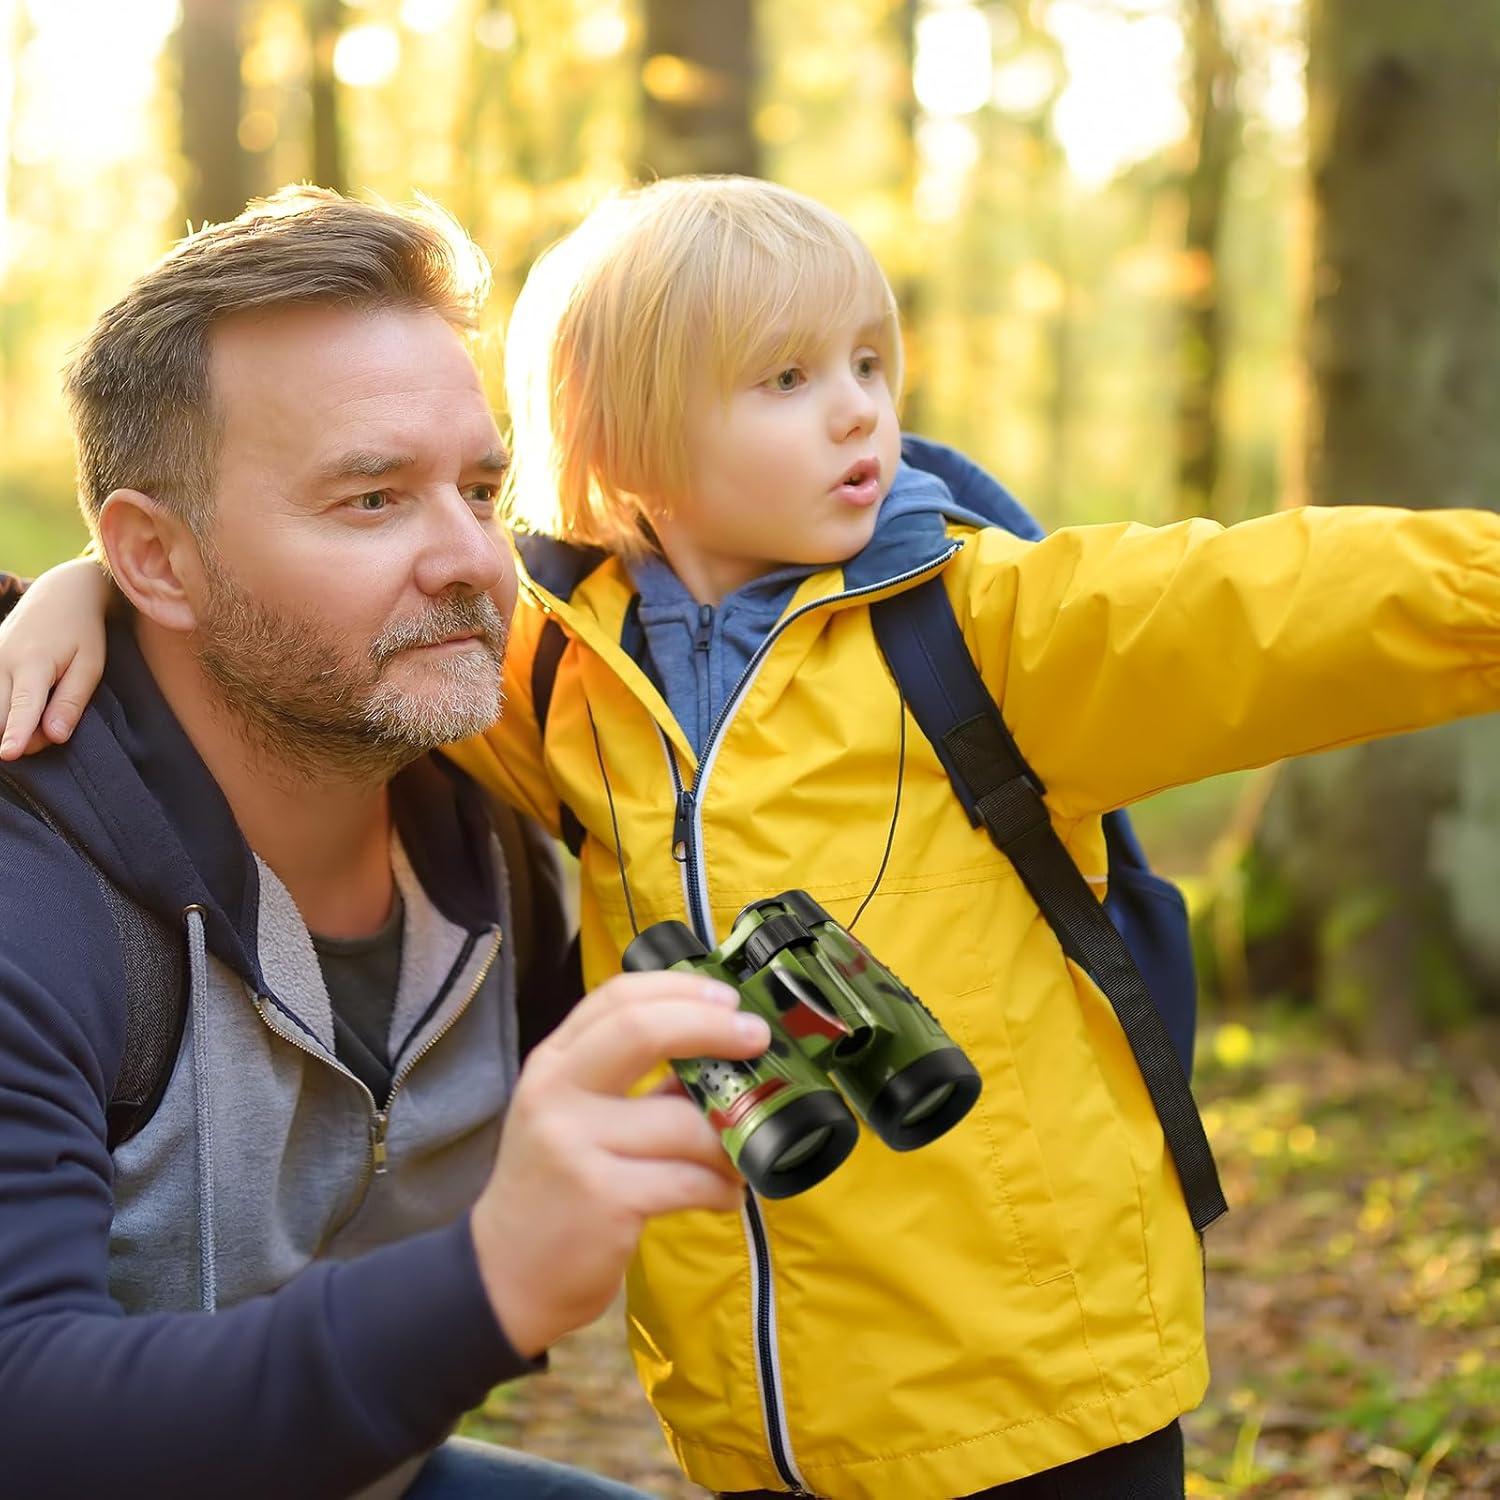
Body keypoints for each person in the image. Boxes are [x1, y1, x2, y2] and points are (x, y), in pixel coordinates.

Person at [7, 176, 1500, 1499]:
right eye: (785, 376)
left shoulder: (989, 636)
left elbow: (1300, 598)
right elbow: (301, 622)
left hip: (1045, 1399)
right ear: (626, 439)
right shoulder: (547, 673)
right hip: (759, 1419)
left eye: (868, 362)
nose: (858, 408)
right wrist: (89, 588)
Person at [0, 188, 774, 1500]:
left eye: (479, 487)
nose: (470, 559)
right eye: (370, 500)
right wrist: (487, 1281)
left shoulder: (522, 808)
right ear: (156, 561)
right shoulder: (36, 897)